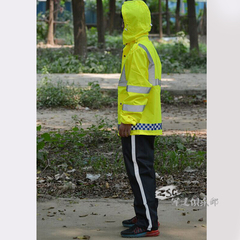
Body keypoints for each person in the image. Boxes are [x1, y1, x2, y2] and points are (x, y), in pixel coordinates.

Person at [118, 0, 162, 238]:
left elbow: (137, 89)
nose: (122, 22)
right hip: (146, 120)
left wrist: (127, 119)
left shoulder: (137, 50)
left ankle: (147, 223)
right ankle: (144, 213)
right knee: (142, 171)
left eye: (125, 18)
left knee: (139, 172)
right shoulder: (144, 45)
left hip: (137, 123)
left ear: (132, 21)